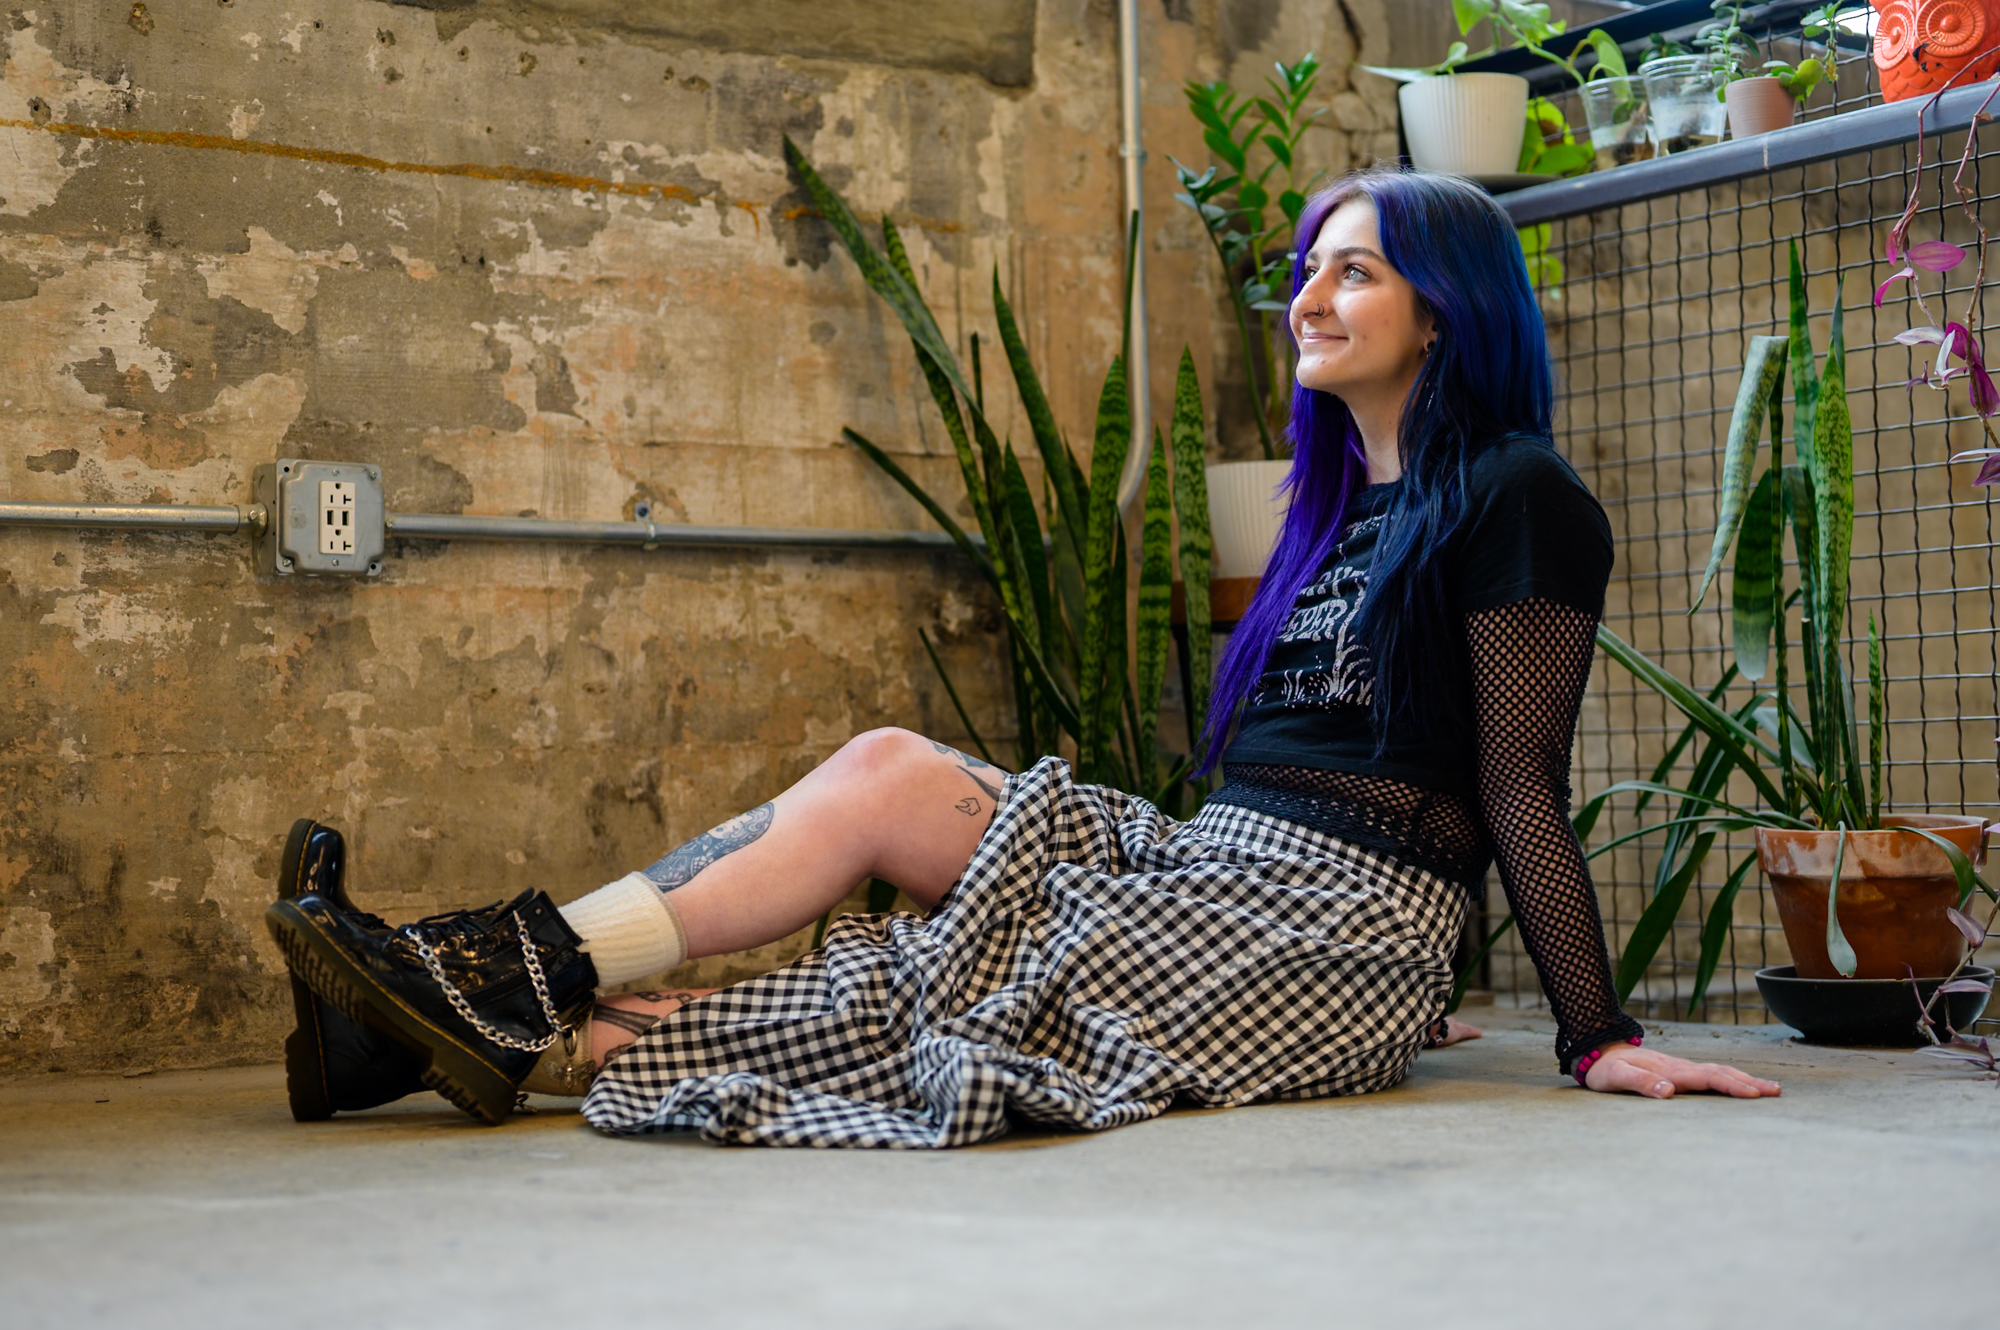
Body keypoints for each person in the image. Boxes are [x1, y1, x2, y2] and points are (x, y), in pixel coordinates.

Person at [266, 167, 1780, 1147]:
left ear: (1450, 309)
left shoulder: (1520, 494)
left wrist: (1596, 1035)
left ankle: (436, 1013)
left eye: (1356, 272)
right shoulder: (1330, 514)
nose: (1307, 297)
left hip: (1337, 920)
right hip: (1213, 867)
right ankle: (467, 992)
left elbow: (1517, 781)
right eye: (1309, 270)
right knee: (887, 773)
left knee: (970, 982)